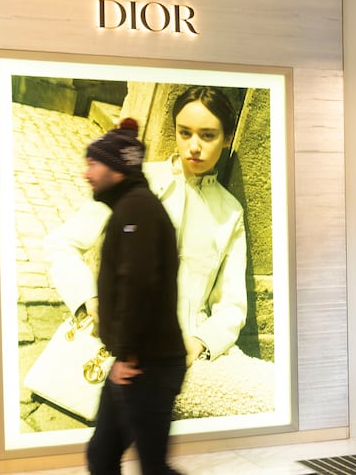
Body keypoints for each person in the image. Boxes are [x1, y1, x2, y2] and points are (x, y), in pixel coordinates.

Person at [47, 86, 269, 418]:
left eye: (207, 136)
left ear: (226, 139)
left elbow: (232, 304)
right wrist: (89, 301)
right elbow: (61, 244)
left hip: (186, 356)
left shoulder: (231, 212)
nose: (193, 146)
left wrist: (201, 342)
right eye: (185, 133)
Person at [81, 118, 187, 475]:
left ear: (117, 167)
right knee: (102, 454)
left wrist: (126, 355)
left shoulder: (136, 210)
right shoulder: (130, 208)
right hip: (137, 362)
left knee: (152, 467)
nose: (86, 173)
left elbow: (138, 284)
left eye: (93, 164)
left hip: (147, 366)